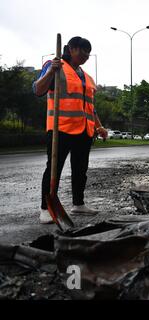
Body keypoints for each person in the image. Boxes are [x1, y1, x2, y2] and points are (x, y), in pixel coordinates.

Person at [33, 36, 108, 224]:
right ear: (71, 49)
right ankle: (45, 208)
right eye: (83, 52)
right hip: (61, 129)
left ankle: (78, 204)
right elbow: (38, 89)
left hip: (84, 130)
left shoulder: (86, 76)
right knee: (54, 169)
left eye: (88, 54)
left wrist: (99, 126)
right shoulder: (55, 66)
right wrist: (51, 71)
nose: (86, 56)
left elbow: (90, 106)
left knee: (80, 169)